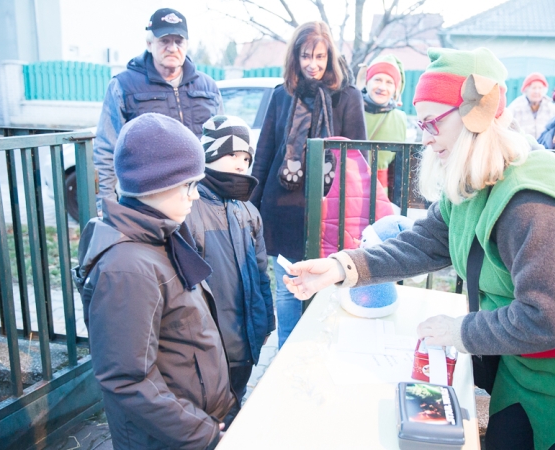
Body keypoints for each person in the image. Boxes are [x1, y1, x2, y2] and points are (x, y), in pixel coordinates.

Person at [282, 48, 555, 449]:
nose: (423, 137)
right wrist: (343, 266)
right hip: (526, 365)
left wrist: (460, 331)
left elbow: (553, 318)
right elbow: (428, 240)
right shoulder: (477, 175)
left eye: (431, 123)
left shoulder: (533, 202)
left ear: (475, 114)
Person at [74, 113, 234, 449]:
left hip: (188, 425)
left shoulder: (162, 236)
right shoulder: (127, 268)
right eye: (189, 185)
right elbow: (127, 378)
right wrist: (203, 434)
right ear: (155, 183)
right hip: (165, 438)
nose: (195, 196)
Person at [250, 21, 367, 348]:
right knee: (288, 289)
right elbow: (265, 153)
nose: (312, 64)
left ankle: (322, 353)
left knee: (330, 286)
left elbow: (358, 159)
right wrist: (251, 206)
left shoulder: (347, 97)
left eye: (319, 56)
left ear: (330, 56)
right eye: (305, 56)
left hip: (330, 212)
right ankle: (287, 356)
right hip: (284, 211)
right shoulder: (281, 95)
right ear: (295, 57)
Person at [185, 115, 275, 423]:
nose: (241, 163)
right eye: (231, 154)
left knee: (235, 403)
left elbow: (262, 273)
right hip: (208, 347)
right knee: (207, 414)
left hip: (245, 341)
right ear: (208, 155)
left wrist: (265, 323)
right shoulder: (189, 210)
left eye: (246, 157)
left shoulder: (248, 211)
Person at [94, 7, 224, 210]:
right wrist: (107, 206)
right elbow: (106, 150)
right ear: (149, 44)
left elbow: (220, 146)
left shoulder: (208, 87)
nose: (172, 48)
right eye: (164, 41)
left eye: (179, 41)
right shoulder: (123, 86)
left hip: (200, 200)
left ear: (187, 45)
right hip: (149, 202)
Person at [360, 55, 409, 191]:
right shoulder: (352, 110)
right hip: (348, 192)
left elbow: (398, 171)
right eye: (377, 79)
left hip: (381, 196)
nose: (382, 87)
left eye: (389, 82)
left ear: (395, 89)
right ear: (367, 82)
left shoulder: (400, 119)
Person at [507, 72, 555, 139]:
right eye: (533, 88)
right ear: (526, 90)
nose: (537, 91)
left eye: (540, 88)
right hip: (522, 146)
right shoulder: (516, 107)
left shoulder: (551, 108)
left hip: (544, 147)